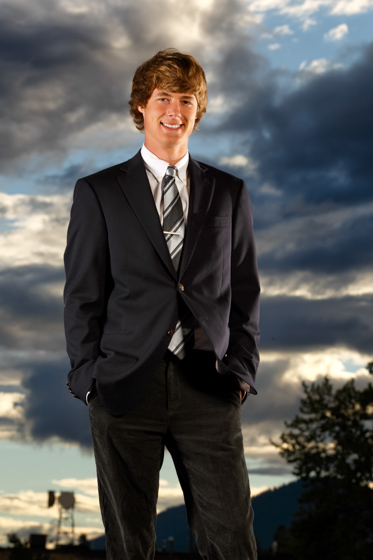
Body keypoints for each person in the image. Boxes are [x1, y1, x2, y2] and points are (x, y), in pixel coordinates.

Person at [64, 48, 260, 560]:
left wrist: (240, 370)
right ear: (141, 108)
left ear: (198, 110)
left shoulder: (228, 192)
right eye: (163, 98)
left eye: (187, 99)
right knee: (130, 545)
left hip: (210, 384)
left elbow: (244, 290)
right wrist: (89, 380)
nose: (175, 109)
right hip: (125, 387)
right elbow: (83, 294)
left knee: (233, 542)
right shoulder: (99, 192)